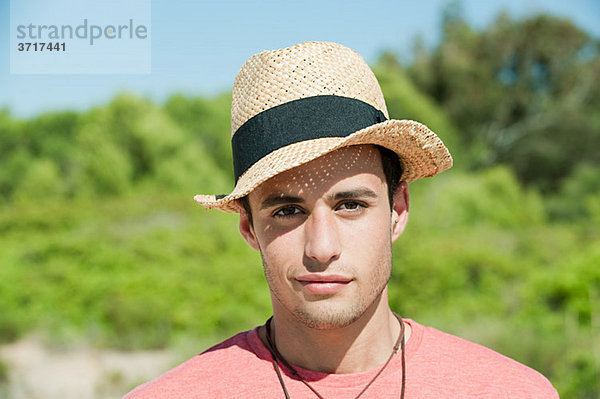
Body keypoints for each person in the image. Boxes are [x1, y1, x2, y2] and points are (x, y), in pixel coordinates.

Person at [125, 41, 558, 398]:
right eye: (287, 211)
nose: (321, 248)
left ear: (398, 210)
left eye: (350, 205)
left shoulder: (509, 391)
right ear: (248, 227)